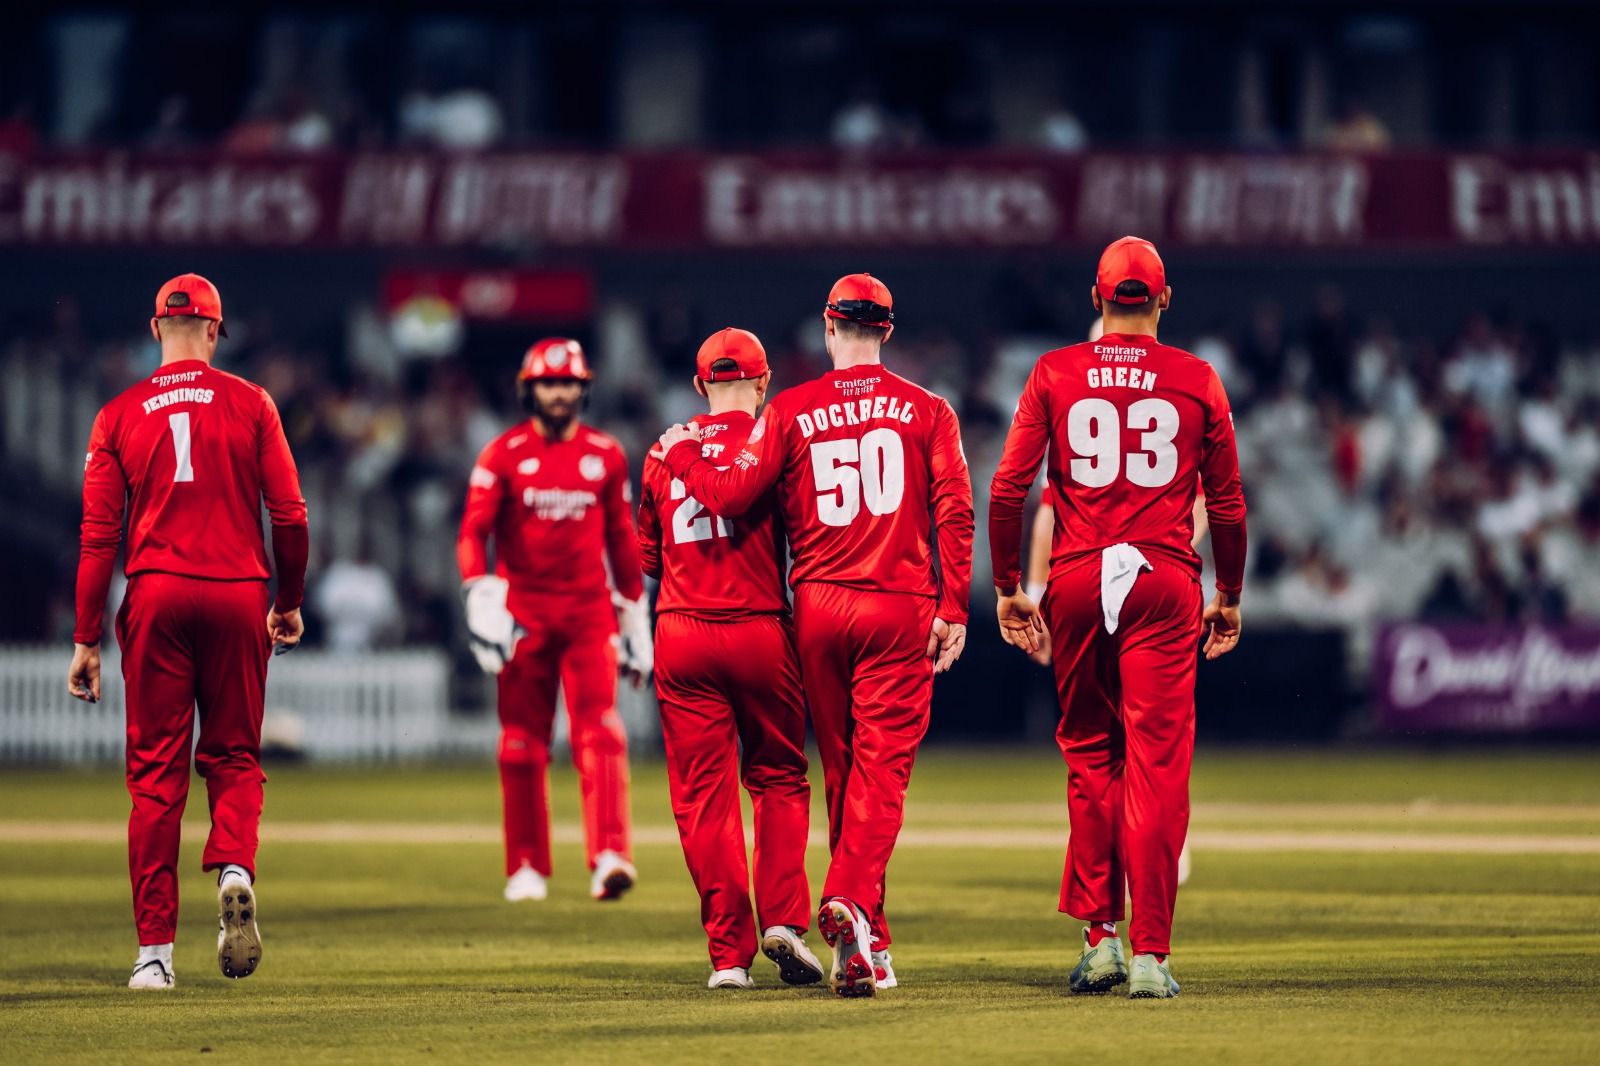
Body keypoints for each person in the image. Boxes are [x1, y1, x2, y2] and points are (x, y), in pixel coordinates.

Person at [656, 274, 973, 998]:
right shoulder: (929, 410)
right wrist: (953, 605)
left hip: (819, 608)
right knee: (882, 772)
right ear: (887, 332)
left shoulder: (792, 410)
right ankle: (852, 901)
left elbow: (732, 496)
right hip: (896, 601)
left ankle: (870, 946)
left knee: (842, 775)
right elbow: (954, 512)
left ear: (828, 328)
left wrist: (679, 453)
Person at [988, 237, 1247, 1000]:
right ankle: (1151, 955)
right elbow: (1226, 503)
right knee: (1157, 766)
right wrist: (1228, 595)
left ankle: (1100, 938)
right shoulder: (1197, 378)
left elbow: (1008, 491)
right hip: (1162, 578)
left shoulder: (1053, 371)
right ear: (1164, 300)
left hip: (1074, 577)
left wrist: (1009, 586)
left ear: (1094, 299)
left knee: (1090, 757)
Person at [70, 273, 309, 990]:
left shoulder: (116, 415)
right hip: (238, 594)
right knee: (233, 755)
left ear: (155, 330)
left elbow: (96, 537)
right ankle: (235, 865)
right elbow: (291, 516)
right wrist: (288, 601)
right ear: (213, 331)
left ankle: (153, 955)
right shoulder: (252, 402)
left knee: (154, 780)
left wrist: (85, 638)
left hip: (157, 594)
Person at [637, 327, 822, 991]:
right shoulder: (775, 437)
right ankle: (783, 921)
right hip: (757, 628)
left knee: (702, 800)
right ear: (763, 382)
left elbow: (644, 562)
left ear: (698, 386)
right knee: (778, 779)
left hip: (681, 631)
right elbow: (808, 534)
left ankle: (726, 958)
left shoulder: (663, 450)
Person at [457, 338, 651, 904]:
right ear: (530, 389)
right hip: (525, 616)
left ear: (582, 388)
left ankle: (610, 855)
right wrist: (479, 594)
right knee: (520, 743)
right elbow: (473, 532)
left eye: (568, 382)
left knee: (603, 733)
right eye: (549, 383)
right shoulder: (502, 454)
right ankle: (525, 866)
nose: (560, 392)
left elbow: (622, 538)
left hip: (590, 613)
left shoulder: (607, 454)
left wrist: (635, 613)